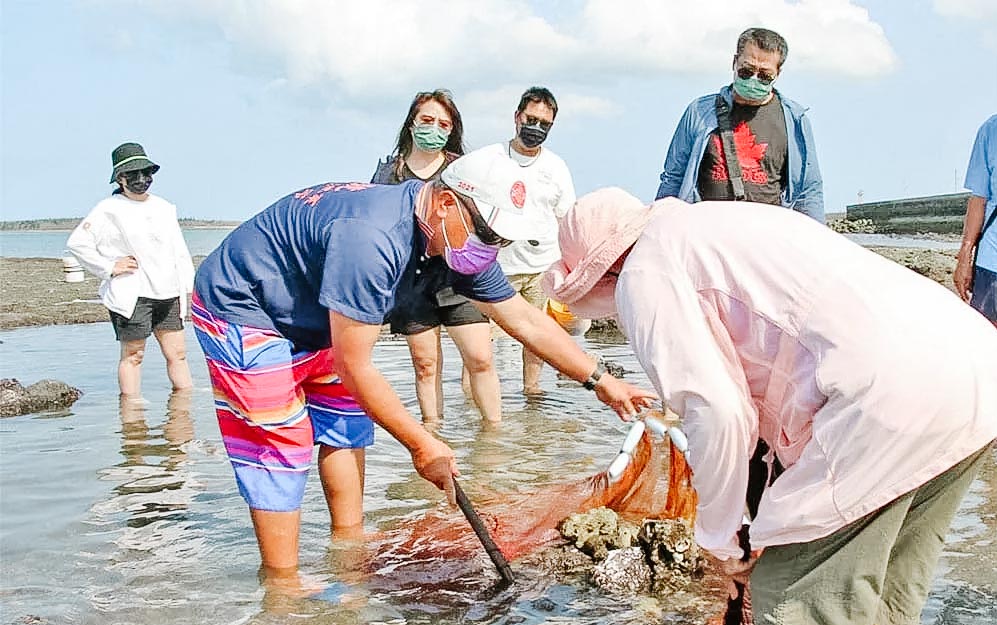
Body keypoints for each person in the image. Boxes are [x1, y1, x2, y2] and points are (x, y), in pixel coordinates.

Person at [543, 188, 997, 625]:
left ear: (604, 273)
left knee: (795, 603)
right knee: (865, 607)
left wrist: (720, 541)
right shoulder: (721, 223)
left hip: (883, 398)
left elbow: (717, 413)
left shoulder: (644, 270)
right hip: (973, 370)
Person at [191, 147, 655, 579]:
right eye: (490, 234)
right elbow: (357, 368)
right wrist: (421, 443)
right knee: (280, 440)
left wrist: (600, 380)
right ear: (447, 204)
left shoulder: (459, 242)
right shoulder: (373, 240)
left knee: (347, 423)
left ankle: (348, 545)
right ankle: (282, 581)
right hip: (244, 305)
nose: (492, 249)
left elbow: (522, 319)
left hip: (320, 313)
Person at [372, 90, 502, 425]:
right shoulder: (389, 174)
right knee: (425, 365)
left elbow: (485, 221)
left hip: (460, 278)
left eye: (443, 123)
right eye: (427, 121)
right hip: (413, 284)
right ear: (412, 123)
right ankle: (433, 435)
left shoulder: (462, 171)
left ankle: (495, 439)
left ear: (452, 129)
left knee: (480, 358)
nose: (435, 128)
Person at [655, 27, 824, 222]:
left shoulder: (795, 120)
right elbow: (673, 176)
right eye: (746, 71)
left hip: (766, 233)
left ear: (778, 73)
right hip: (706, 229)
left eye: (764, 76)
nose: (753, 79)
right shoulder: (699, 111)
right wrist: (657, 226)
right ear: (734, 62)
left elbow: (809, 189)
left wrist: (818, 243)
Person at [67, 142, 194, 398]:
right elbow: (77, 243)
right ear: (120, 178)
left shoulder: (164, 207)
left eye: (146, 173)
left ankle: (185, 416)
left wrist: (190, 287)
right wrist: (110, 267)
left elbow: (179, 250)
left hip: (169, 292)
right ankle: (132, 420)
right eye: (133, 174)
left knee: (178, 354)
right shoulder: (108, 209)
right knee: (134, 355)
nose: (141, 179)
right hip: (134, 294)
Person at [488, 86, 576, 394]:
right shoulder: (492, 160)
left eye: (544, 124)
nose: (535, 127)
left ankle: (533, 397)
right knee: (479, 347)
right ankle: (475, 407)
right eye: (531, 119)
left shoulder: (556, 167)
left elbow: (568, 219)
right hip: (497, 268)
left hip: (542, 267)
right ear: (517, 117)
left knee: (537, 340)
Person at [954, 113, 997, 329]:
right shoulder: (991, 130)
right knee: (988, 348)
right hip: (992, 266)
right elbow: (978, 199)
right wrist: (964, 258)